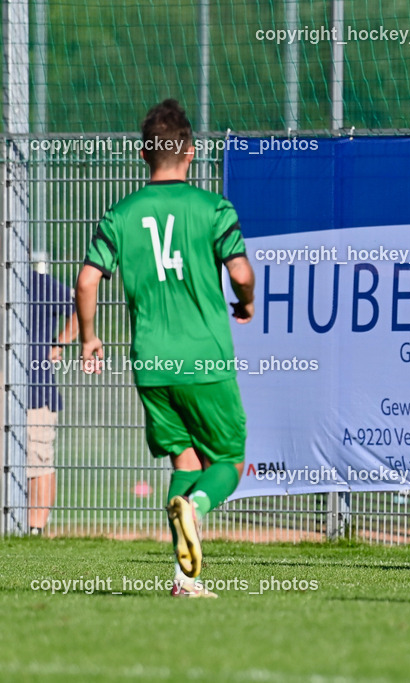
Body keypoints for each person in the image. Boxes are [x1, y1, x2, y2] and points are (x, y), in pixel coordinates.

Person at [76, 99, 255, 598]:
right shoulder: (213, 209)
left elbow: (88, 280)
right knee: (229, 462)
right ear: (191, 153)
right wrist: (246, 302)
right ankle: (196, 508)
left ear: (143, 154)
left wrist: (91, 337)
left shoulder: (121, 214)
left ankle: (185, 580)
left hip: (152, 362)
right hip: (204, 357)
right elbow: (241, 273)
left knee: (185, 462)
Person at [27, 267, 78, 535]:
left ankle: (35, 529)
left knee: (38, 457)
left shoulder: (41, 284)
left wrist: (59, 344)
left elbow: (79, 308)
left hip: (36, 389)